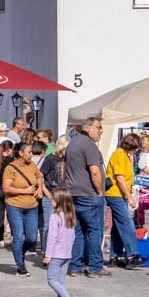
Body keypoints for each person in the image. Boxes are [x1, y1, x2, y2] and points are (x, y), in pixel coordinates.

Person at [61, 118, 108, 278]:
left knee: (78, 231)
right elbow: (94, 171)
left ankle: (75, 267)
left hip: (73, 193)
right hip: (89, 193)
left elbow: (64, 168)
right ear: (89, 128)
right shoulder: (89, 146)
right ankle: (95, 267)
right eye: (99, 127)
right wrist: (99, 191)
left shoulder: (72, 143)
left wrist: (66, 186)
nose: (101, 131)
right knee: (95, 231)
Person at [2, 140, 46, 275]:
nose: (31, 154)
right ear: (21, 153)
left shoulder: (32, 165)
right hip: (15, 206)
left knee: (32, 238)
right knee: (18, 235)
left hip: (32, 206)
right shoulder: (10, 168)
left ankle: (20, 252)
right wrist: (24, 191)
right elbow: (6, 188)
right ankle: (20, 266)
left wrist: (40, 189)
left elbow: (39, 177)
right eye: (29, 152)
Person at [104, 132, 143, 269]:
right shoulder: (120, 155)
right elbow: (120, 178)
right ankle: (132, 255)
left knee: (118, 225)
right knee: (127, 223)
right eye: (136, 147)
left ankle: (114, 256)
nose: (136, 150)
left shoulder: (123, 155)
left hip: (118, 194)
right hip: (116, 194)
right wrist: (129, 197)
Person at [43, 194, 81, 297]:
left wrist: (48, 255)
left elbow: (52, 237)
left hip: (56, 254)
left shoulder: (55, 216)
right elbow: (73, 237)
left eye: (53, 199)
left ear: (59, 201)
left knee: (52, 280)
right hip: (66, 254)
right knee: (60, 281)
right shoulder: (70, 216)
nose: (51, 200)